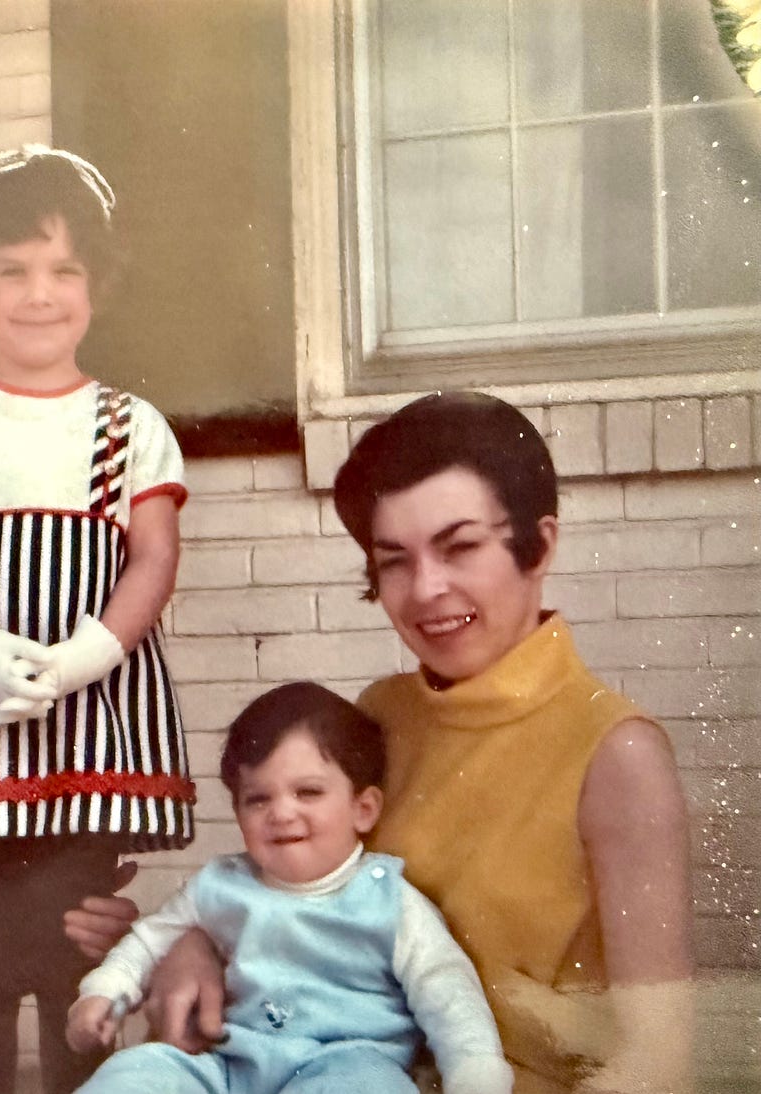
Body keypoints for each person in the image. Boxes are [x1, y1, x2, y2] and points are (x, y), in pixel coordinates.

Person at [147, 393, 694, 1094]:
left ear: (541, 545)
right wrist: (194, 944)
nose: (427, 589)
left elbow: (658, 1065)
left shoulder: (617, 754)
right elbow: (301, 889)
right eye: (394, 560)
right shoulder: (383, 713)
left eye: (460, 546)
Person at [0, 146, 197, 1094]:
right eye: (11, 271)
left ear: (97, 284)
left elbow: (154, 556)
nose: (38, 294)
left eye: (64, 270)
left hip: (88, 727)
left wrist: (76, 663)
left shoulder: (128, 425)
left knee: (73, 960)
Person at [67, 682, 512, 1094]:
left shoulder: (388, 899)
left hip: (346, 1061)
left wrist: (476, 1072)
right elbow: (149, 942)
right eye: (258, 798)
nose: (280, 813)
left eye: (308, 792)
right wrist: (104, 992)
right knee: (137, 1073)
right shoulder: (222, 884)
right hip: (227, 1066)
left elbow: (446, 990)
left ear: (363, 809)